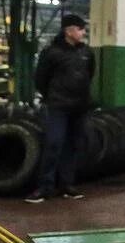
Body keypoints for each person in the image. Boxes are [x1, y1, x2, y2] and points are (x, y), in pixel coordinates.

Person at [26, 13, 95, 203]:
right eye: (80, 29)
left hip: (79, 107)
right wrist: (52, 97)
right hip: (58, 107)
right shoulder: (51, 53)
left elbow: (89, 75)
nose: (83, 32)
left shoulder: (86, 53)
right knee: (54, 144)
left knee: (73, 146)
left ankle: (67, 185)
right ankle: (44, 187)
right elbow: (41, 79)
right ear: (68, 30)